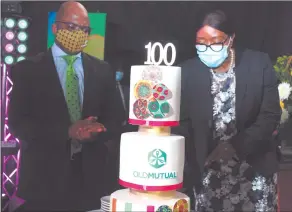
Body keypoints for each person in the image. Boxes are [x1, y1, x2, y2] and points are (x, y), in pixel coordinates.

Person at [8, 2, 123, 211]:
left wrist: (99, 130)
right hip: (43, 182)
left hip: (91, 181)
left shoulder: (103, 70)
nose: (78, 34)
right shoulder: (28, 70)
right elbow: (18, 124)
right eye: (71, 27)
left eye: (84, 30)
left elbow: (116, 118)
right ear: (55, 29)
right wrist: (67, 131)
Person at [175, 10, 281, 212]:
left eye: (215, 42)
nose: (207, 48)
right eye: (201, 42)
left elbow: (270, 116)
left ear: (230, 39)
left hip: (253, 169)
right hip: (208, 173)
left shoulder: (258, 65)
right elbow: (183, 122)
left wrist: (234, 147)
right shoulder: (187, 72)